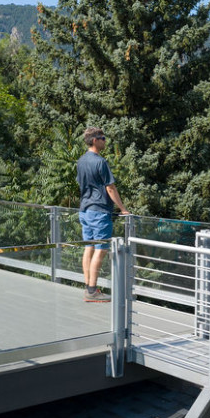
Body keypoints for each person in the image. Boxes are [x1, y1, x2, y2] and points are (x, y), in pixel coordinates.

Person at [77, 127, 129, 302]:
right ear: (94, 141)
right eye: (103, 138)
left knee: (89, 248)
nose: (105, 141)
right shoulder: (101, 162)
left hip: (84, 211)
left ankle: (88, 287)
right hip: (99, 212)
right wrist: (123, 209)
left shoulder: (81, 161)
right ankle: (92, 291)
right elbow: (110, 188)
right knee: (100, 250)